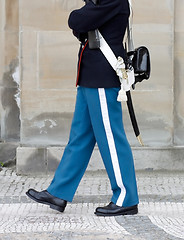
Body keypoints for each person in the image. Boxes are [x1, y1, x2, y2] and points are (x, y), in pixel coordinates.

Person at [26, 0, 139, 216]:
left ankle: (126, 198)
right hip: (90, 77)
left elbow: (77, 20)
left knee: (111, 139)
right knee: (79, 138)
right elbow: (81, 28)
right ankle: (58, 192)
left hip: (102, 78)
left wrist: (82, 18)